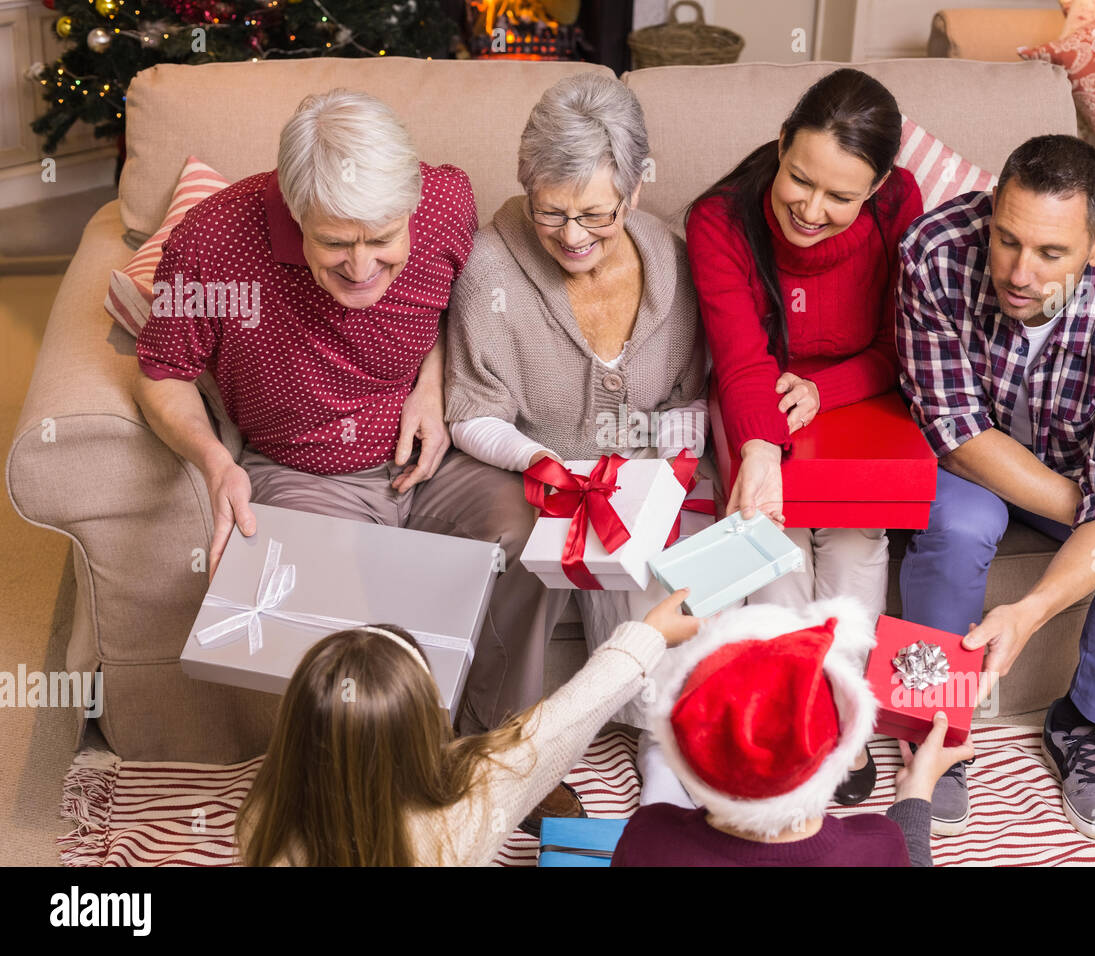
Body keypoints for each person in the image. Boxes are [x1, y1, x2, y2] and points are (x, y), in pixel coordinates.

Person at [132, 87, 585, 827]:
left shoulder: (444, 199)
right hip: (304, 467)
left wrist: (433, 384)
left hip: (434, 457)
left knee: (537, 533)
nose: (365, 266)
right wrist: (217, 462)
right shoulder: (214, 245)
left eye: (382, 239)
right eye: (336, 243)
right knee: (327, 607)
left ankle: (499, 748)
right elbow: (162, 371)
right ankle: (381, 782)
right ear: (292, 206)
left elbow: (451, 308)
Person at [895, 134, 1095, 840]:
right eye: (1006, 239)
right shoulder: (935, 253)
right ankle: (937, 721)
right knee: (961, 524)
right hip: (972, 466)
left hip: (1079, 467)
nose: (1019, 272)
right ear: (991, 213)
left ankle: (1083, 722)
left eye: (1050, 253)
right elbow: (958, 436)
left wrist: (1030, 609)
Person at [443, 72, 708, 791]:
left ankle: (692, 743)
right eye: (550, 212)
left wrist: (673, 467)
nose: (571, 236)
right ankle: (634, 749)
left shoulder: (674, 261)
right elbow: (471, 410)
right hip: (539, 469)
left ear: (636, 189)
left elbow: (689, 392)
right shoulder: (488, 270)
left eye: (597, 215)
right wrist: (545, 462)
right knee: (580, 544)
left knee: (704, 549)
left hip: (646, 467)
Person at [684, 67, 924, 805]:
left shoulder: (902, 206)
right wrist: (758, 451)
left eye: (840, 196)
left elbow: (902, 343)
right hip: (759, 404)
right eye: (799, 178)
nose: (811, 209)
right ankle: (795, 716)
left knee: (856, 542)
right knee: (776, 545)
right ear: (782, 142)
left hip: (860, 401)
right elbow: (741, 357)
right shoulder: (719, 220)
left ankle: (843, 710)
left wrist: (828, 389)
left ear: (879, 187)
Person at [235, 590, 699, 866]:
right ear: (419, 731)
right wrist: (651, 634)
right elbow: (561, 723)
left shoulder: (262, 818)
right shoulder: (466, 811)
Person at [611, 599, 974, 866]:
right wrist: (916, 792)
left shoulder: (649, 838)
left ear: (684, 754)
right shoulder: (877, 846)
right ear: (842, 747)